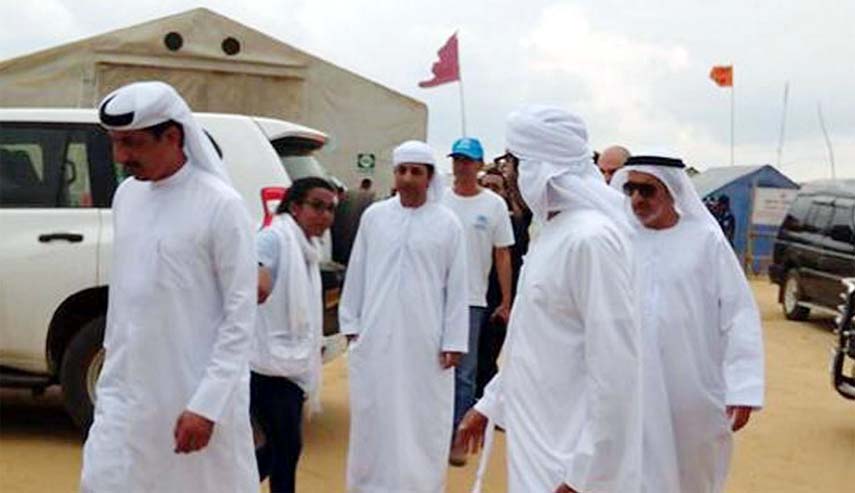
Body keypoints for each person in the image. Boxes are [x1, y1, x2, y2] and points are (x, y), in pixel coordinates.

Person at [81, 81, 258, 492]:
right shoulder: (128, 196)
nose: (122, 157)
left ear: (173, 136)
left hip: (190, 395)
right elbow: (126, 300)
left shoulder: (221, 205)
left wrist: (207, 404)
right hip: (125, 394)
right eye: (115, 143)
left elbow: (240, 316)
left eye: (134, 143)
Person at [455, 106, 642, 493]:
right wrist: (489, 404)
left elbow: (618, 369)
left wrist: (584, 472)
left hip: (571, 461)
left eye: (511, 163)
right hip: (539, 443)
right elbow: (532, 344)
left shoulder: (591, 240)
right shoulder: (554, 234)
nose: (507, 175)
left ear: (538, 168)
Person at [611, 155, 764, 493]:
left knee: (692, 473)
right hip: (630, 383)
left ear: (671, 191)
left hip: (691, 386)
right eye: (630, 189)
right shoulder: (617, 240)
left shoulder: (705, 241)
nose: (637, 199)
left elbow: (738, 315)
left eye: (647, 190)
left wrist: (744, 387)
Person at [339, 140, 469, 493]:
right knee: (373, 414)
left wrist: (454, 340)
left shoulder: (447, 224)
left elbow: (457, 288)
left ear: (429, 177)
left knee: (421, 417)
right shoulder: (375, 217)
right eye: (402, 170)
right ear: (394, 174)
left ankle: (417, 485)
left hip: (426, 341)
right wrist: (351, 324)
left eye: (416, 171)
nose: (408, 178)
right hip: (375, 335)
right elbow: (358, 271)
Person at [251, 177, 338, 493]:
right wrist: (258, 279)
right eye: (317, 206)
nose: (325, 215)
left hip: (290, 363)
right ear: (295, 206)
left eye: (330, 209)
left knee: (280, 448)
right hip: (267, 364)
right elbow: (255, 264)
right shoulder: (275, 238)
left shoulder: (307, 248)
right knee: (284, 448)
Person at [442, 137, 515, 466]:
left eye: (468, 160)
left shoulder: (494, 205)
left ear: (479, 163)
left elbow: (502, 254)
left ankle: (457, 437)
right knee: (430, 367)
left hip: (471, 299)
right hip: (435, 295)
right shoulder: (440, 200)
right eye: (457, 159)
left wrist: (506, 300)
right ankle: (431, 431)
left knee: (464, 371)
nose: (462, 166)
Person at [474, 168, 530, 399]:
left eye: (496, 187)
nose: (490, 192)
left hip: (499, 298)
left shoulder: (517, 223)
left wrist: (507, 301)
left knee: (489, 353)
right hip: (473, 294)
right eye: (485, 186)